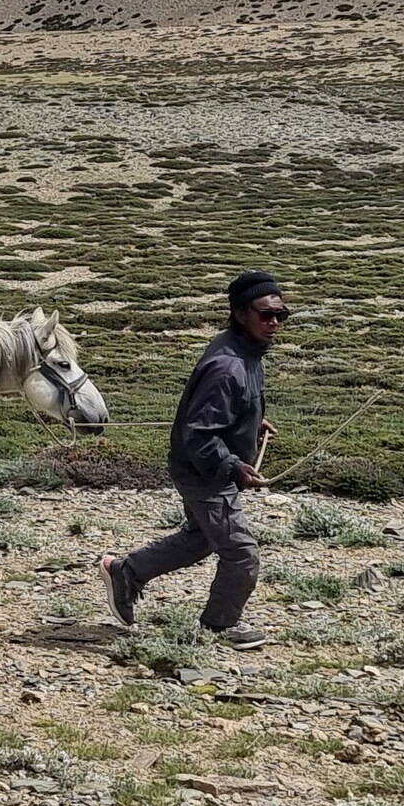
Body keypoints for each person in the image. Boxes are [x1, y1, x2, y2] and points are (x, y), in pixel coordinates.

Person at [100, 270, 285, 649]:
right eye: (265, 314)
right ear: (239, 314)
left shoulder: (247, 350)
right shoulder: (228, 366)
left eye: (281, 315)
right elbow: (200, 433)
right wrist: (233, 466)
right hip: (204, 471)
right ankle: (220, 626)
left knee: (201, 538)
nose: (274, 323)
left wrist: (252, 420)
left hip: (203, 466)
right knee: (241, 553)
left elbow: (226, 409)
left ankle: (126, 571)